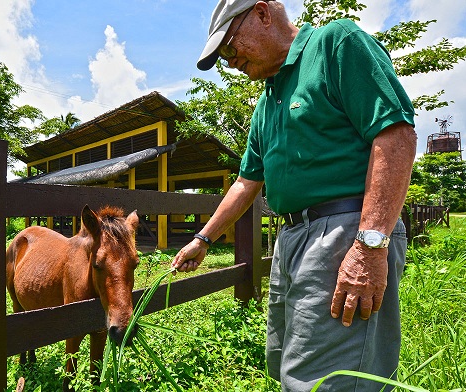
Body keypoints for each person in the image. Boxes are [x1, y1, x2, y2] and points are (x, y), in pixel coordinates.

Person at [170, 1, 418, 391]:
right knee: (284, 361)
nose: (231, 63)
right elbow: (246, 182)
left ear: (263, 14)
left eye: (231, 48)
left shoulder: (336, 43)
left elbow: (395, 135)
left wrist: (370, 244)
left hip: (343, 232)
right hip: (291, 240)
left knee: (325, 379)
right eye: (223, 58)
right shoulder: (266, 103)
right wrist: (204, 239)